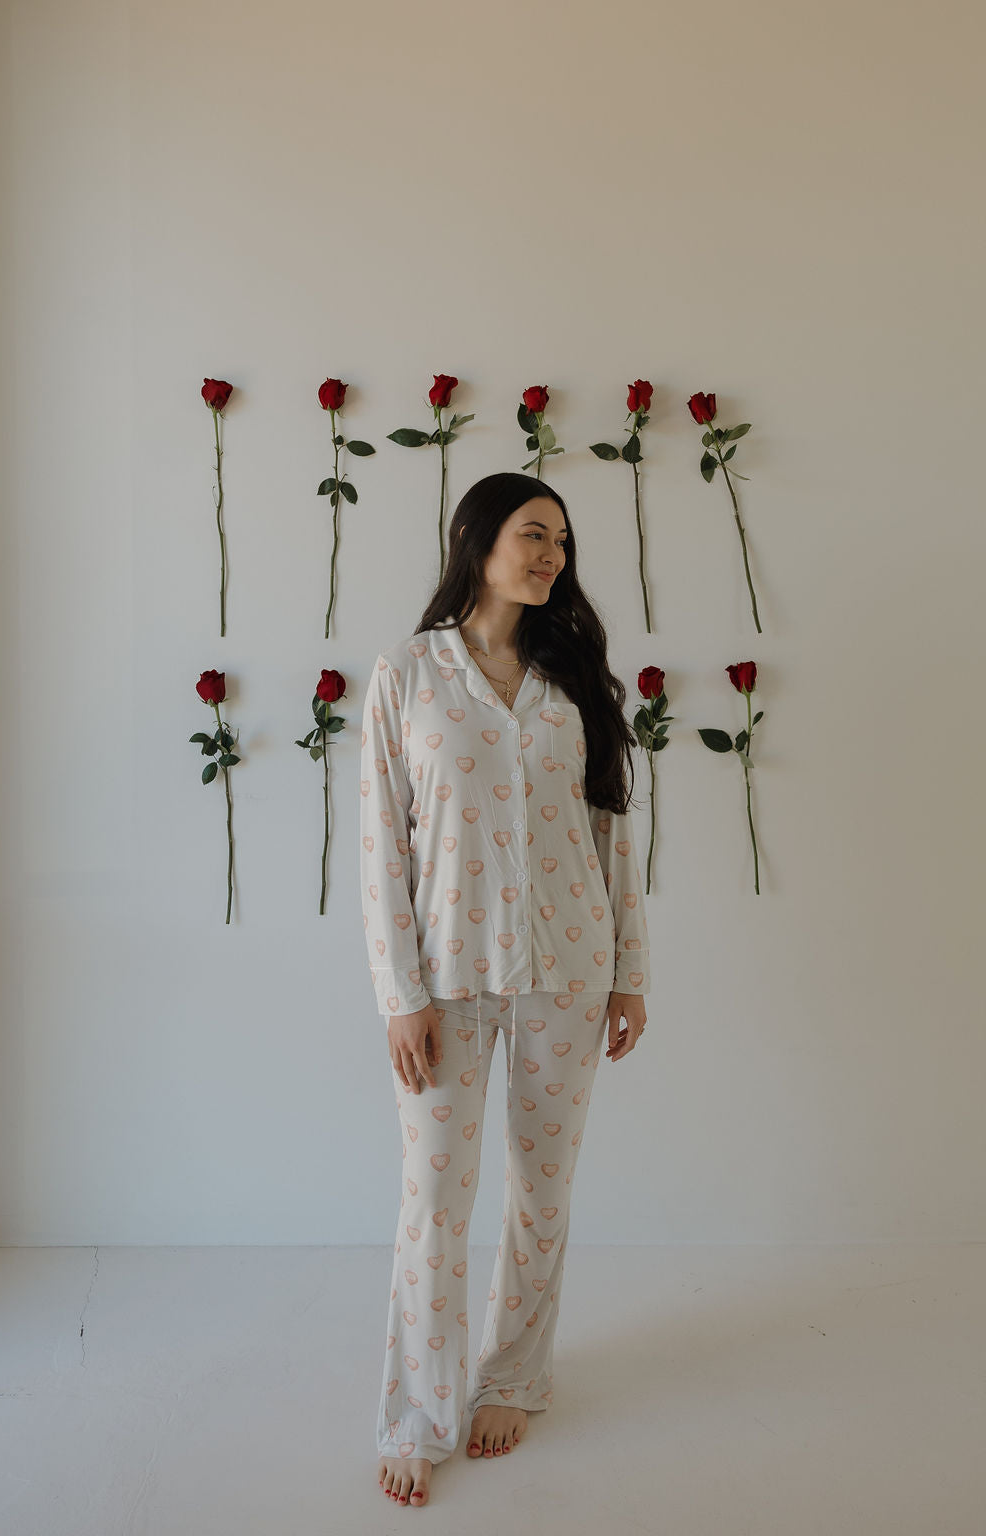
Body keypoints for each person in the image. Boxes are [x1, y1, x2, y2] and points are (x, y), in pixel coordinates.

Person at [360, 471, 650, 1508]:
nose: (551, 556)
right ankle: (416, 1414)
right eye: (533, 534)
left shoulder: (573, 681)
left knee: (541, 1190)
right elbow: (380, 847)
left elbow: (611, 833)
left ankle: (516, 1378)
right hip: (445, 981)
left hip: (568, 972)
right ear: (475, 540)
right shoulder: (407, 674)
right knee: (434, 1200)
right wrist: (399, 994)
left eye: (561, 541)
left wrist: (628, 973)